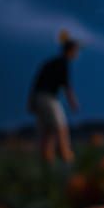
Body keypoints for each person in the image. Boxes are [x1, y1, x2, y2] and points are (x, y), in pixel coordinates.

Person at [28, 29, 79, 164]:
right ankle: (65, 156)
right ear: (71, 50)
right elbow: (67, 86)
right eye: (76, 50)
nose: (77, 54)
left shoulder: (50, 63)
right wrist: (73, 103)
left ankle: (47, 161)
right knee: (61, 127)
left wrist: (31, 101)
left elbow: (37, 81)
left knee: (48, 131)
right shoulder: (63, 64)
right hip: (48, 98)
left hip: (38, 98)